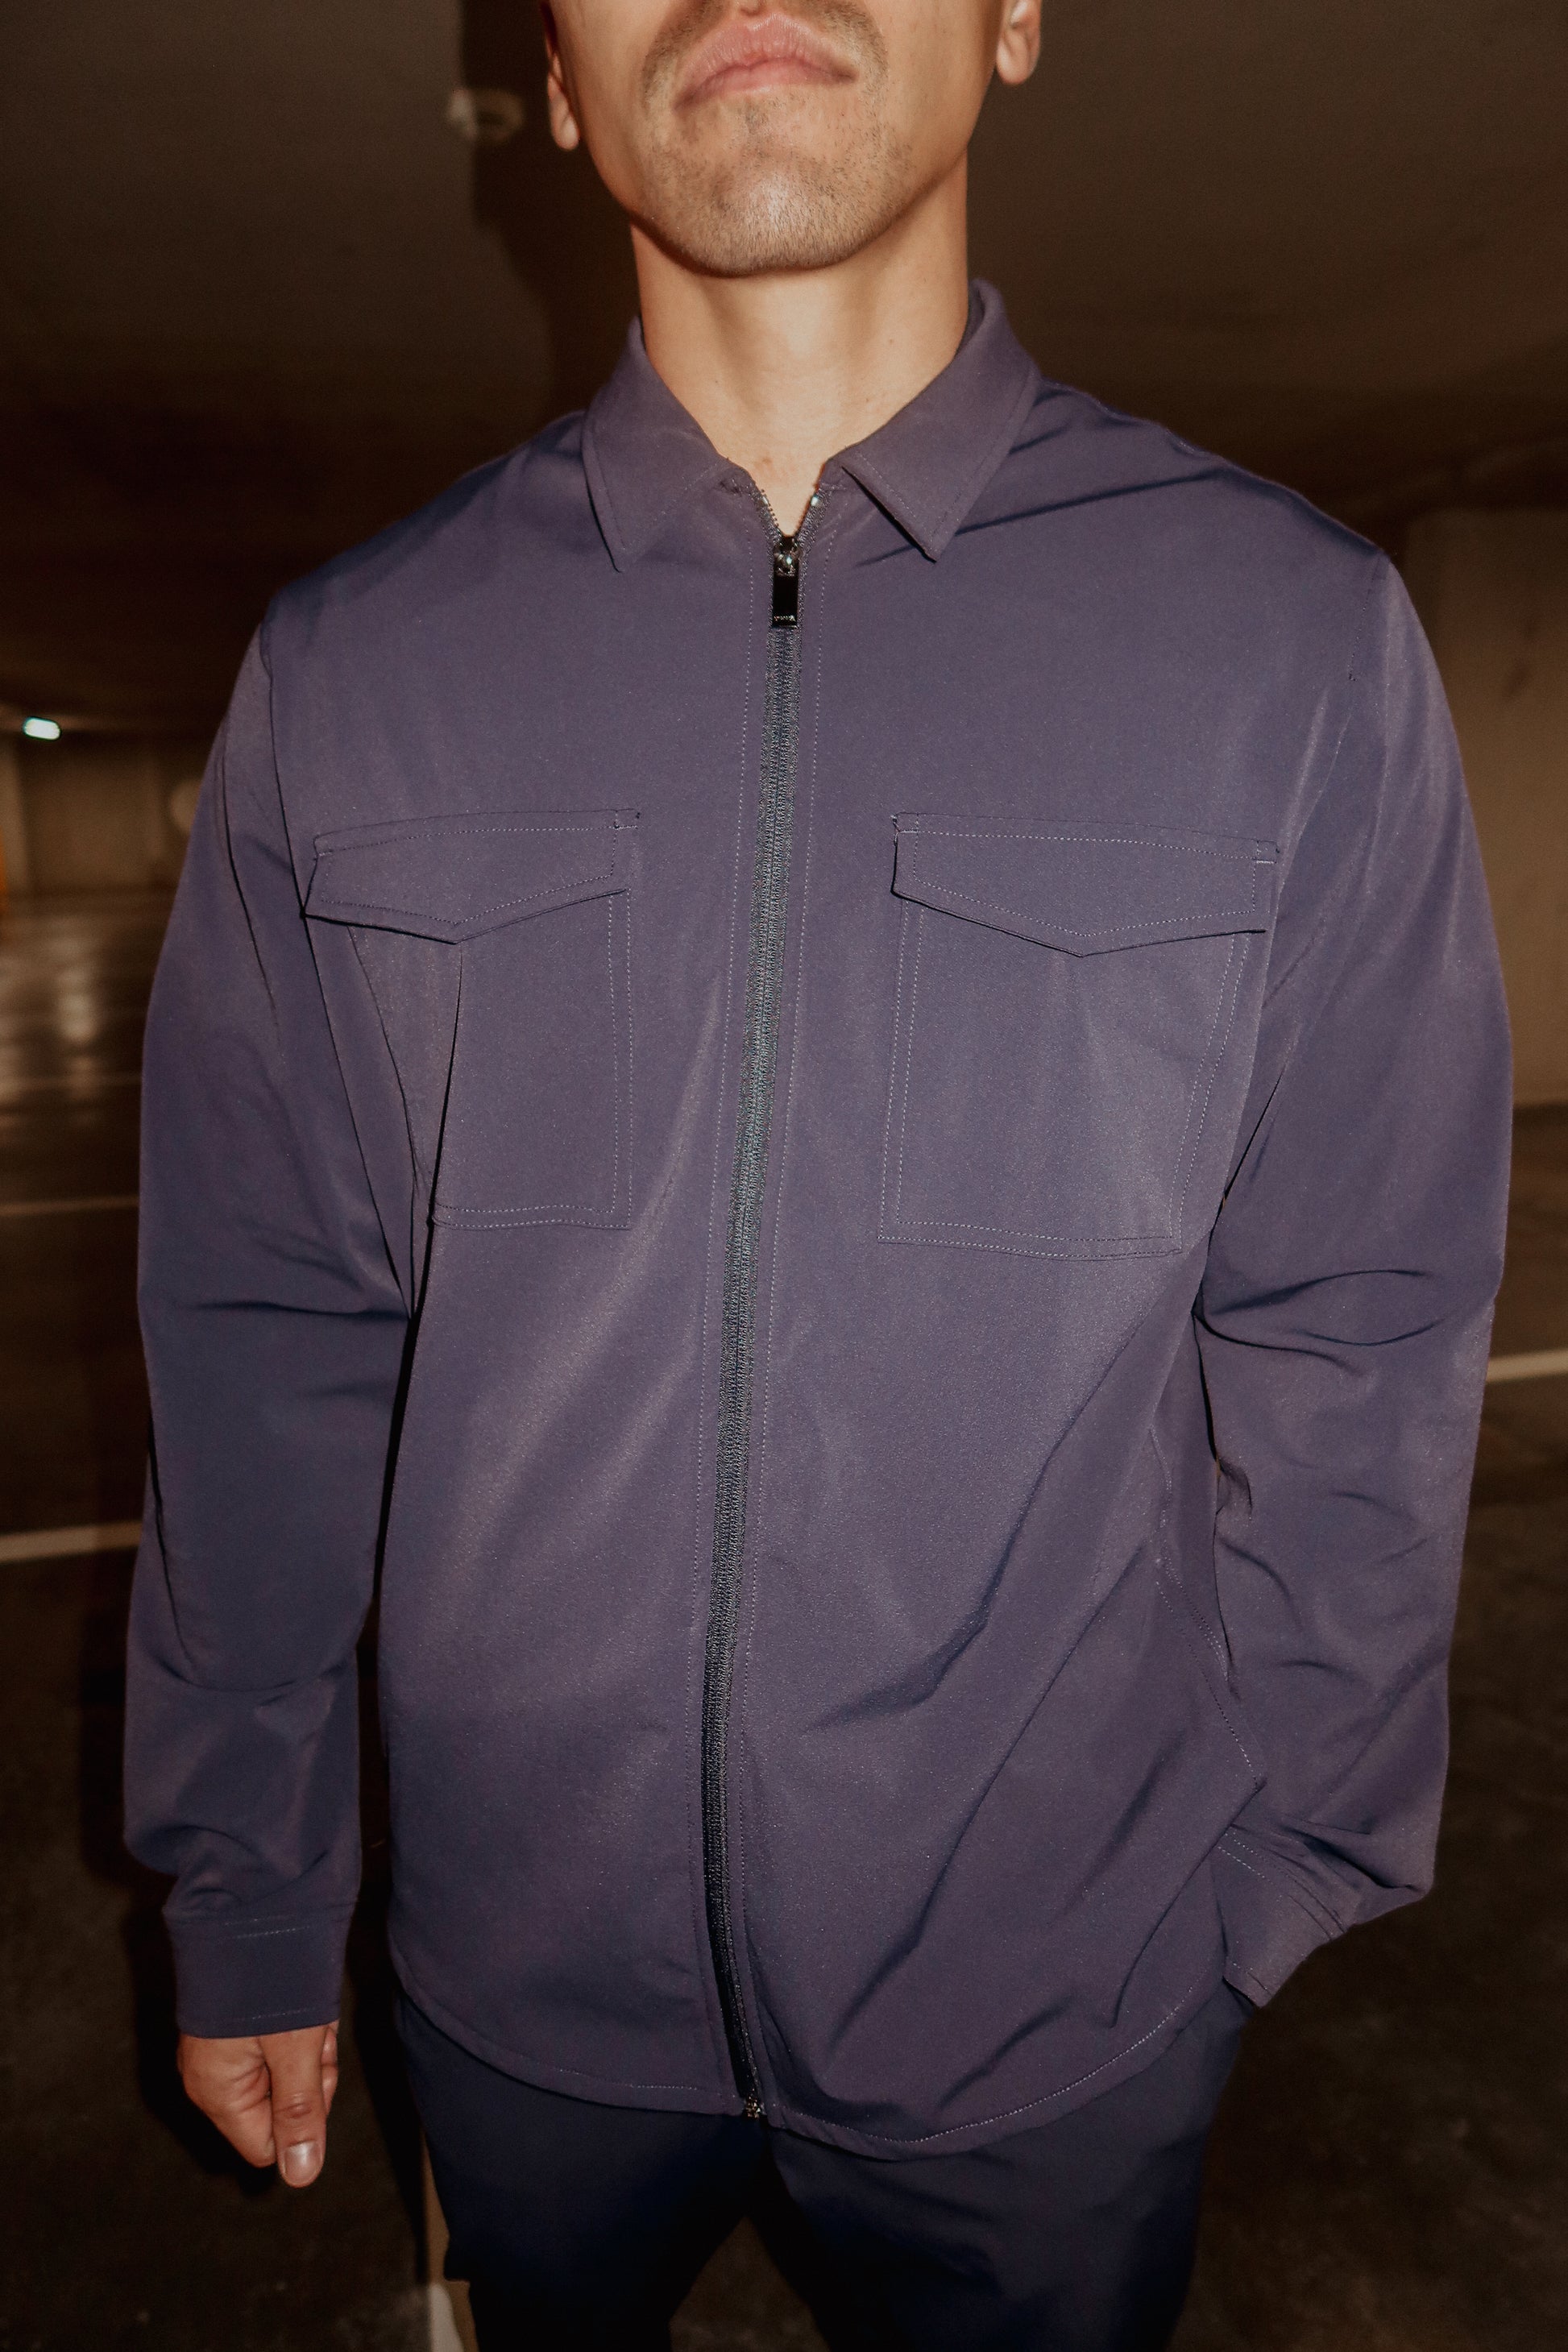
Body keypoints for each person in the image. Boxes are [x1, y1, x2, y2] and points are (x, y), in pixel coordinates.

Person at [124, 1, 1512, 2344]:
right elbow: (265, 1331)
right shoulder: (355, 672)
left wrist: (1272, 1870)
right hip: (517, 1999)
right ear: (553, 67)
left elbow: (1363, 1316)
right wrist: (251, 1878)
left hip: (1063, 2017)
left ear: (1014, 17)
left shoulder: (1286, 643)